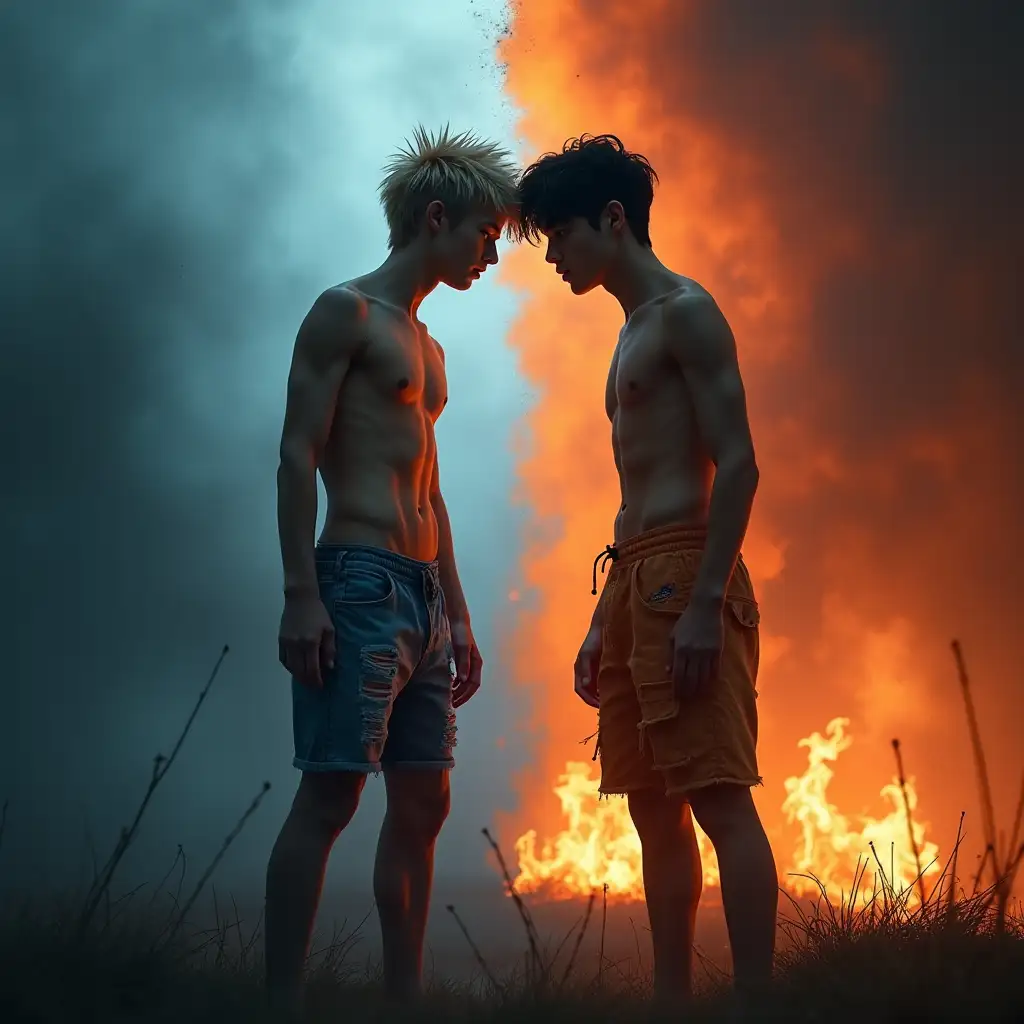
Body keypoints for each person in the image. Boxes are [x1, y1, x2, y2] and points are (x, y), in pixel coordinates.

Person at [514, 134, 779, 1006]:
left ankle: (754, 997)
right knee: (650, 805)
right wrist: (602, 620)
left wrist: (706, 602)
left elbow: (737, 463)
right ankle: (673, 1001)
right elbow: (633, 493)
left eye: (560, 233)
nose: (552, 254)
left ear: (613, 218)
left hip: (689, 573)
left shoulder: (686, 313)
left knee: (717, 793)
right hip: (635, 579)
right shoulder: (630, 333)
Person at [266, 125, 518, 1012]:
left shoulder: (432, 349)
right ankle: (282, 1000)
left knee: (424, 805)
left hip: (421, 591)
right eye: (486, 236)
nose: (492, 255)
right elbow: (298, 453)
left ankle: (401, 1001)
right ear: (437, 217)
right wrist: (302, 594)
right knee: (331, 794)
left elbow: (433, 489)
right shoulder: (345, 313)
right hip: (358, 577)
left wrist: (460, 611)